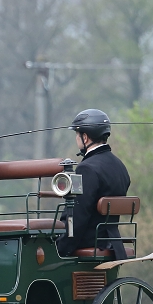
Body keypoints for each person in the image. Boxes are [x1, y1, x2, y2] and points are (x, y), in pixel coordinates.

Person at [56, 109, 131, 258]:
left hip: (89, 241)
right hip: (111, 240)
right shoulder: (119, 166)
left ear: (85, 137)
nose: (77, 139)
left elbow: (78, 216)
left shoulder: (86, 168)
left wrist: (60, 248)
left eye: (77, 135)